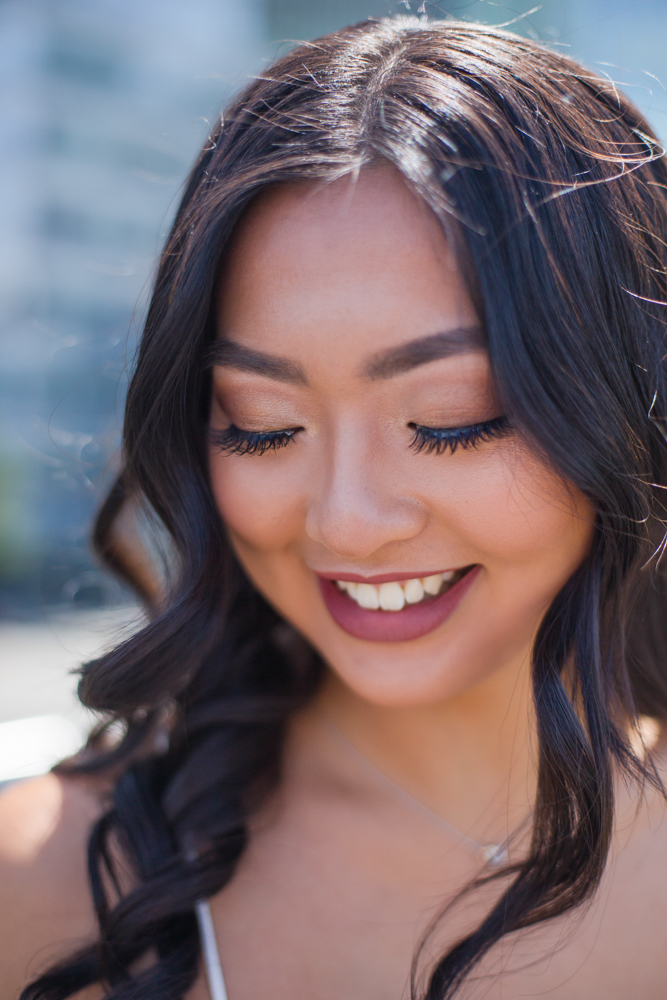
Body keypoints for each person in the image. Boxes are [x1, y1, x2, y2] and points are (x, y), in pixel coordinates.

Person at [3, 14, 667, 1000]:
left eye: (452, 419)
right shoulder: (52, 883)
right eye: (262, 425)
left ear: (625, 402)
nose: (346, 523)